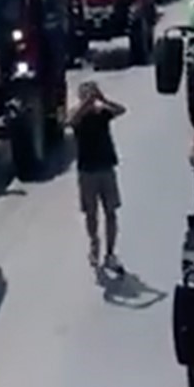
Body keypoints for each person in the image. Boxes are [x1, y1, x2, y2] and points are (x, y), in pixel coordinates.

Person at [69, 81, 125, 272]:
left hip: (106, 167)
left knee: (111, 212)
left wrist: (103, 100)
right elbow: (71, 121)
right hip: (87, 171)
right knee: (91, 213)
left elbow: (121, 110)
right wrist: (86, 104)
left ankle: (110, 253)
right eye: (86, 93)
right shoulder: (78, 114)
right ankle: (94, 244)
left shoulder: (102, 113)